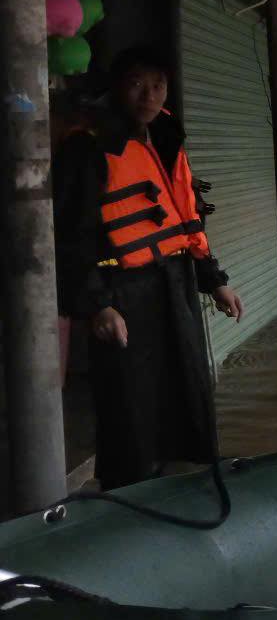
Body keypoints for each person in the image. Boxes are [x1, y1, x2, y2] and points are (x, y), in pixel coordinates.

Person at [52, 45, 243, 490]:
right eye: (137, 83)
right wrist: (98, 304)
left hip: (172, 283)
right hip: (122, 288)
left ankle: (179, 480)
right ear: (117, 87)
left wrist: (215, 283)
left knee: (186, 387)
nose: (148, 95)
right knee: (129, 399)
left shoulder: (166, 137)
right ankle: (128, 489)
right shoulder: (88, 145)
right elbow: (71, 233)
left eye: (158, 85)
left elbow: (185, 217)